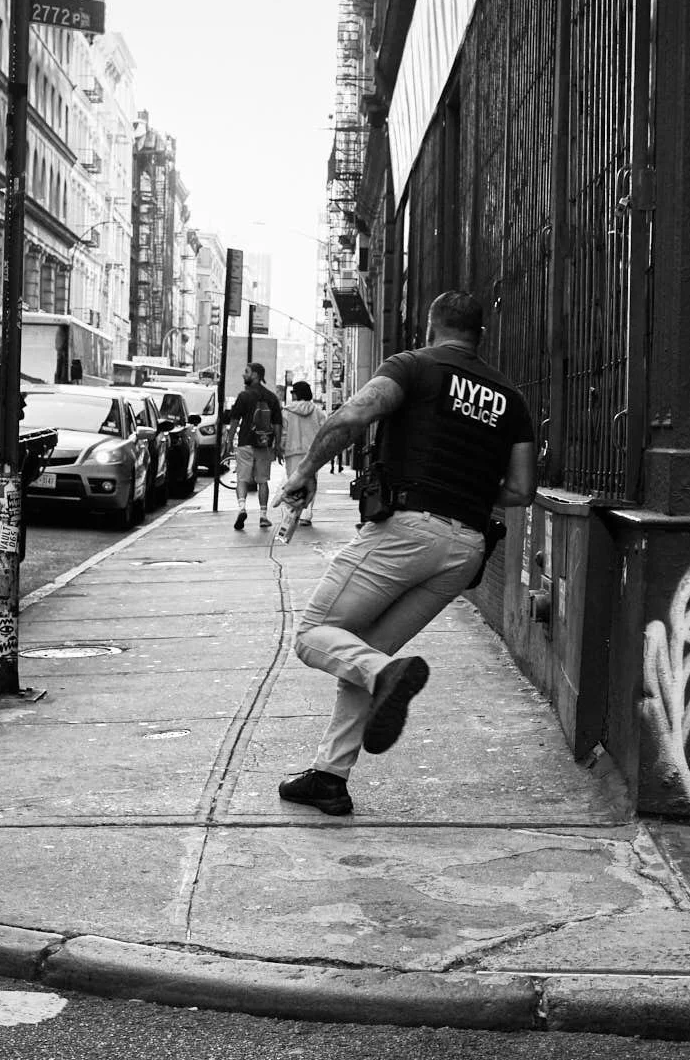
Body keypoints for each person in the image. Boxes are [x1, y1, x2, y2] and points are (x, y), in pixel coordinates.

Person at [273, 292, 537, 816]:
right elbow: (523, 488)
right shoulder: (511, 397)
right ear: (478, 333)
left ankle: (384, 678)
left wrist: (304, 472)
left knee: (313, 636)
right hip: (466, 548)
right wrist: (467, 490)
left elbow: (354, 416)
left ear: (431, 326)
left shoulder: (414, 367)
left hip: (406, 530)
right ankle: (330, 777)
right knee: (362, 651)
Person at [224, 362, 283, 531]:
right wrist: (277, 445)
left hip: (245, 443)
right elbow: (277, 423)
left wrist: (229, 439)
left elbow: (235, 420)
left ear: (255, 375)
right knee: (262, 481)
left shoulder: (244, 396)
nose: (244, 375)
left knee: (242, 479)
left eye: (247, 372)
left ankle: (242, 508)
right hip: (264, 445)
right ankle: (263, 516)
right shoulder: (272, 397)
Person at [278, 381, 326, 526]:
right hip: (311, 453)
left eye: (293, 392)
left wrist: (280, 448)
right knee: (310, 483)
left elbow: (284, 433)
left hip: (292, 452)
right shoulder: (317, 412)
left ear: (297, 394)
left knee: (293, 483)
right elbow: (323, 432)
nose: (292, 395)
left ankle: (293, 513)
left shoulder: (286, 411)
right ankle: (306, 514)